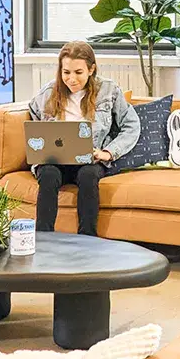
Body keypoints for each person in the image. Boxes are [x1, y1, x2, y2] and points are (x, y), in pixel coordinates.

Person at [27, 41, 139, 237]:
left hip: (90, 160)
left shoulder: (109, 90)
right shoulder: (48, 92)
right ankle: (43, 239)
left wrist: (108, 152)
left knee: (88, 175)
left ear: (91, 69)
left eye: (78, 72)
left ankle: (88, 239)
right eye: (66, 72)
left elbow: (132, 125)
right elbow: (34, 117)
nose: (71, 79)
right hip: (55, 161)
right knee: (48, 174)